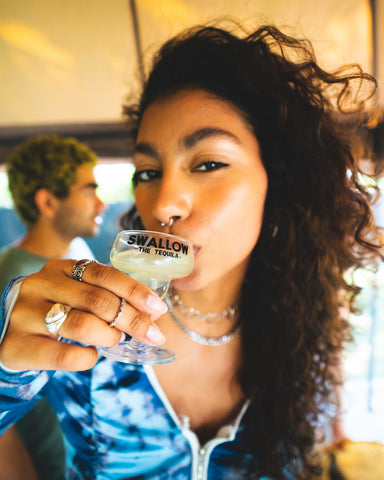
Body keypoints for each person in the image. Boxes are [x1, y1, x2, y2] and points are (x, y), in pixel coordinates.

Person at [0, 23, 382, 480]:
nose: (162, 204)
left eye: (207, 164)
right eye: (146, 172)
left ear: (275, 181)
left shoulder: (307, 323)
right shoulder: (90, 324)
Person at [0, 135, 105, 479]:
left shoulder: (78, 253)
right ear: (47, 202)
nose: (101, 204)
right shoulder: (9, 281)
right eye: (89, 190)